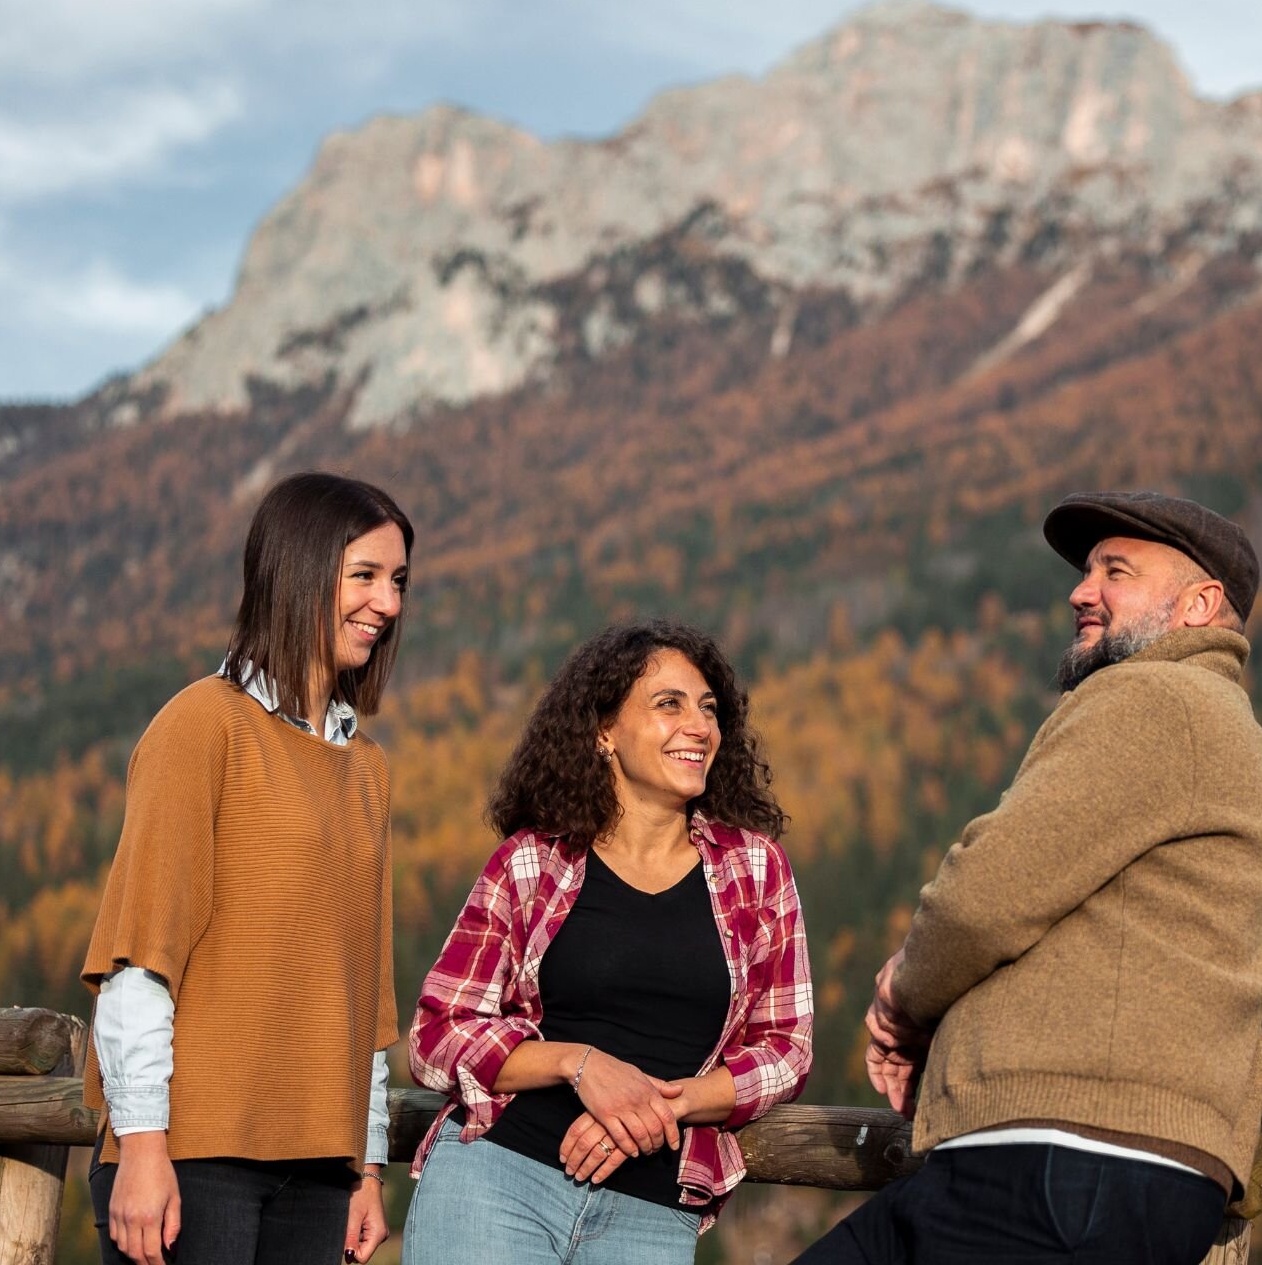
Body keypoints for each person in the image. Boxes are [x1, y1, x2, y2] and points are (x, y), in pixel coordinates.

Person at [799, 490, 1262, 1265]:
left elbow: (985, 897)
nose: (1080, 591)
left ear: (1199, 603)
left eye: (1114, 572)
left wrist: (903, 996)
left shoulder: (1154, 697)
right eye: (1087, 571)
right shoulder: (1221, 723)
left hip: (1065, 1164)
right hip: (1091, 1169)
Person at [81, 471, 414, 1265]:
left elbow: (361, 995)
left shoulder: (367, 769)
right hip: (194, 1159)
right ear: (295, 572)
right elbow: (140, 960)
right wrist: (143, 1148)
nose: (389, 604)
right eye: (363, 576)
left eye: (398, 581)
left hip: (318, 1173)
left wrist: (365, 1170)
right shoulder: (202, 726)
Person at [403, 619, 812, 1265]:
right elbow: (436, 1035)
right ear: (603, 732)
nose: (700, 726)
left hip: (651, 1212)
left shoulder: (756, 871)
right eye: (668, 704)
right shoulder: (532, 862)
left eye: (708, 709)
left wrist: (664, 1106)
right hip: (500, 1179)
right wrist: (579, 1064)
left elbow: (787, 1046)